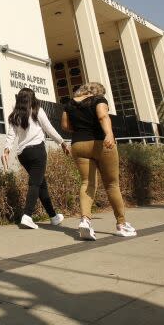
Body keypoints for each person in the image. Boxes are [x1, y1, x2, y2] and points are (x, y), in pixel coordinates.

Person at [61, 82, 137, 240]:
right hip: (101, 143)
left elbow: (65, 125)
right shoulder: (98, 99)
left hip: (79, 145)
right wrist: (109, 134)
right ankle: (121, 224)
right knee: (111, 184)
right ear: (98, 91)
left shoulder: (69, 104)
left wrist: (81, 128)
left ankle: (85, 221)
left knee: (87, 182)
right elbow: (103, 116)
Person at [1, 88, 70, 229]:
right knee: (35, 184)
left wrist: (7, 150)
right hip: (37, 151)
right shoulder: (36, 110)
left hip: (23, 154)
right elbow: (49, 128)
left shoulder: (14, 115)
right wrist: (61, 142)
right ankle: (27, 216)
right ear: (32, 98)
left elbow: (11, 135)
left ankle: (53, 216)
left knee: (40, 184)